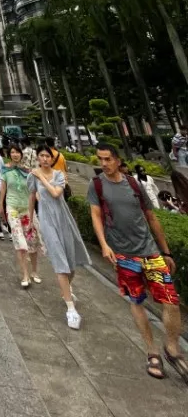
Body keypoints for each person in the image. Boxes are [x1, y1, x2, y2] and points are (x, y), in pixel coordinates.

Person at [89, 143, 186, 382]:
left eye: (108, 159)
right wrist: (103, 244)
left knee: (171, 301)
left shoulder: (134, 184)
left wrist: (166, 251)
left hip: (150, 252)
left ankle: (172, 348)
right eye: (100, 159)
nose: (103, 164)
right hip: (123, 255)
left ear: (118, 160)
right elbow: (96, 216)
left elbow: (152, 217)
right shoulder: (97, 185)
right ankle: (152, 351)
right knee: (137, 300)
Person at [28, 145, 90, 329]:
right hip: (47, 221)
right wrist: (30, 219)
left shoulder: (59, 175)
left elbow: (56, 193)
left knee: (71, 264)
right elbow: (32, 197)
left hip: (63, 218)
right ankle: (70, 309)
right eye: (42, 156)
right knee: (60, 263)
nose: (45, 159)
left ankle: (66, 291)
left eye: (48, 156)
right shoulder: (33, 176)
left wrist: (41, 178)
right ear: (37, 158)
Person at [0, 144, 42, 288]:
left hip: (28, 209)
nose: (15, 154)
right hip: (12, 208)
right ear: (9, 154)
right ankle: (25, 274)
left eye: (17, 152)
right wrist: (0, 205)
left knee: (32, 242)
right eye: (12, 152)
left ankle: (35, 272)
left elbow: (34, 191)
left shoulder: (29, 171)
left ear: (21, 154)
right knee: (20, 242)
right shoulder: (5, 169)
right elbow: (3, 188)